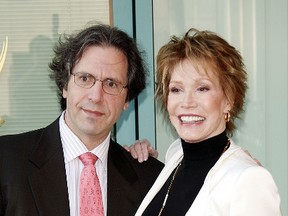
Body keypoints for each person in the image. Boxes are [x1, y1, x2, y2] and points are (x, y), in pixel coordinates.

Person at [0, 24, 164, 216]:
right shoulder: (6, 161)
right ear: (64, 86)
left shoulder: (151, 179)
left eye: (111, 84)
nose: (96, 96)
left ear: (127, 100)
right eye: (85, 78)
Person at [135, 28, 282, 216]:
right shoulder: (176, 155)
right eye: (176, 90)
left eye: (202, 88)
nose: (187, 103)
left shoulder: (248, 179)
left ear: (229, 99)